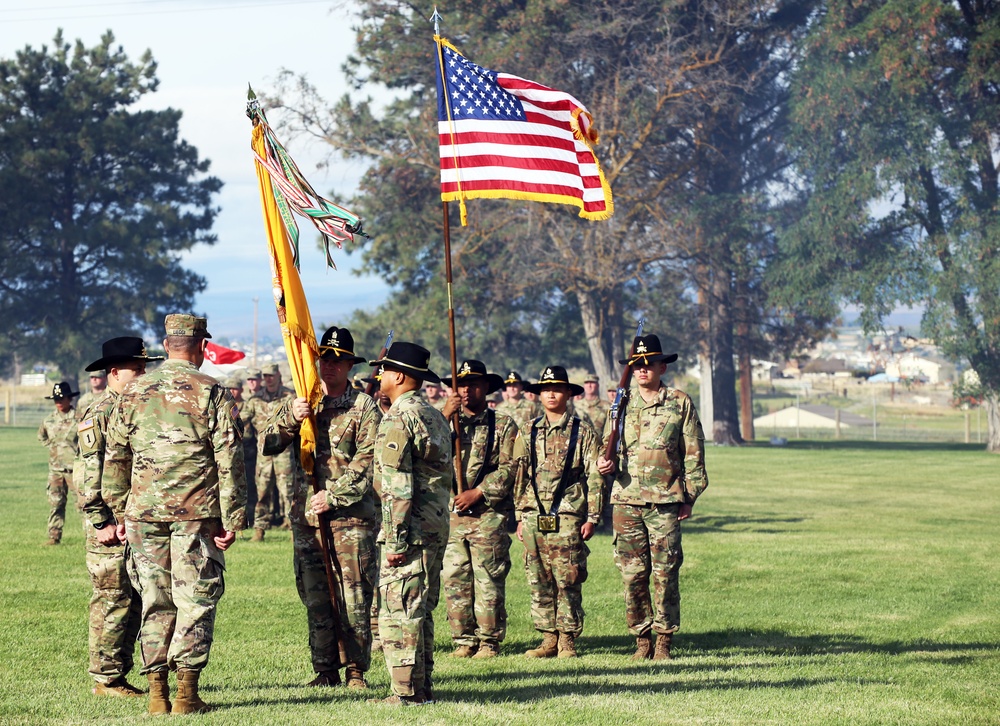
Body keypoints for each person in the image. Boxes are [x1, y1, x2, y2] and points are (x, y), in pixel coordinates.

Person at [102, 314, 247, 715]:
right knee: (195, 598)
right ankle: (186, 693)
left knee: (154, 600)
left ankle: (156, 694)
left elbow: (115, 458)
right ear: (202, 347)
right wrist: (232, 518)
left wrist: (118, 513)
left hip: (143, 516)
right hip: (195, 514)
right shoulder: (212, 390)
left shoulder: (133, 391)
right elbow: (229, 457)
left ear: (166, 346)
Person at [261, 326, 381, 689]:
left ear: (348, 365)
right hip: (307, 520)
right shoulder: (299, 400)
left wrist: (335, 495)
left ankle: (356, 669)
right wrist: (291, 419)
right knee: (315, 596)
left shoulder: (363, 407)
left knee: (354, 595)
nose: (329, 366)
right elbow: (267, 444)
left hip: (350, 518)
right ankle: (325, 669)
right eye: (323, 359)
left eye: (337, 361)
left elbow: (369, 461)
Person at [596, 334, 708, 661]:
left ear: (662, 366)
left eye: (648, 364)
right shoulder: (620, 403)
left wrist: (689, 496)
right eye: (637, 365)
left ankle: (664, 640)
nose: (642, 370)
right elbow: (606, 447)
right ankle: (641, 638)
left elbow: (694, 454)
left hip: (665, 501)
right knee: (632, 574)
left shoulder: (679, 402)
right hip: (627, 499)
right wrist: (603, 463)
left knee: (665, 572)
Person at [77, 336, 162, 697]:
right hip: (109, 526)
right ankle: (106, 678)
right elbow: (87, 476)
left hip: (134, 522)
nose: (143, 376)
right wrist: (102, 522)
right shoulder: (100, 413)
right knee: (112, 599)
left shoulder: (133, 407)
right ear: (114, 372)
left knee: (135, 599)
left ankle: (119, 674)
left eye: (145, 369)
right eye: (137, 370)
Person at [368, 341, 452, 705]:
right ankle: (421, 687)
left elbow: (397, 486)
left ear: (399, 376)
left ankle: (403, 694)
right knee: (420, 610)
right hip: (434, 526)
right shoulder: (433, 414)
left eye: (384, 369)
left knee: (398, 612)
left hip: (410, 530)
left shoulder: (398, 418)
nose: (379, 375)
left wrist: (396, 542)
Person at [513, 366, 602, 658]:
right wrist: (518, 515)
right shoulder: (527, 430)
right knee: (537, 577)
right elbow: (519, 474)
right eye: (546, 389)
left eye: (557, 389)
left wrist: (593, 516)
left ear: (568, 394)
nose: (551, 394)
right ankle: (548, 638)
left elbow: (595, 476)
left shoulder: (583, 431)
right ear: (539, 395)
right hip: (533, 514)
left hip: (567, 515)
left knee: (568, 576)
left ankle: (567, 639)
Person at [439, 360, 517, 659]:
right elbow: (425, 452)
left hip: (486, 514)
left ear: (486, 387)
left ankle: (488, 641)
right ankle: (463, 639)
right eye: (461, 384)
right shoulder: (442, 421)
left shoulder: (502, 424)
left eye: (474, 384)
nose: (467, 390)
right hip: (451, 513)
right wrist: (446, 415)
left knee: (488, 577)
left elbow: (511, 467)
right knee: (455, 576)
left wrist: (479, 492)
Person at [249, 362, 295, 540]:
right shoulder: (255, 400)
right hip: (263, 454)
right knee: (262, 492)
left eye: (271, 375)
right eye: (265, 376)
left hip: (284, 451)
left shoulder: (288, 397)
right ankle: (259, 529)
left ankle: (293, 528)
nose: (268, 379)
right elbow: (242, 421)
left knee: (288, 491)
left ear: (278, 376)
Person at [38, 381, 80, 545]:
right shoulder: (48, 420)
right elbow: (41, 437)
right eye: (56, 399)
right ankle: (54, 536)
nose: (59, 402)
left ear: (70, 399)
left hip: (75, 469)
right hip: (55, 470)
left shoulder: (79, 418)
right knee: (56, 504)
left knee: (83, 506)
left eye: (62, 399)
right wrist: (53, 448)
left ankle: (91, 538)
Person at [240, 369, 263, 526]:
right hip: (244, 447)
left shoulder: (262, 397)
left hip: (257, 448)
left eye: (255, 379)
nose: (252, 382)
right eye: (249, 379)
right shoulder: (247, 399)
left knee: (259, 485)